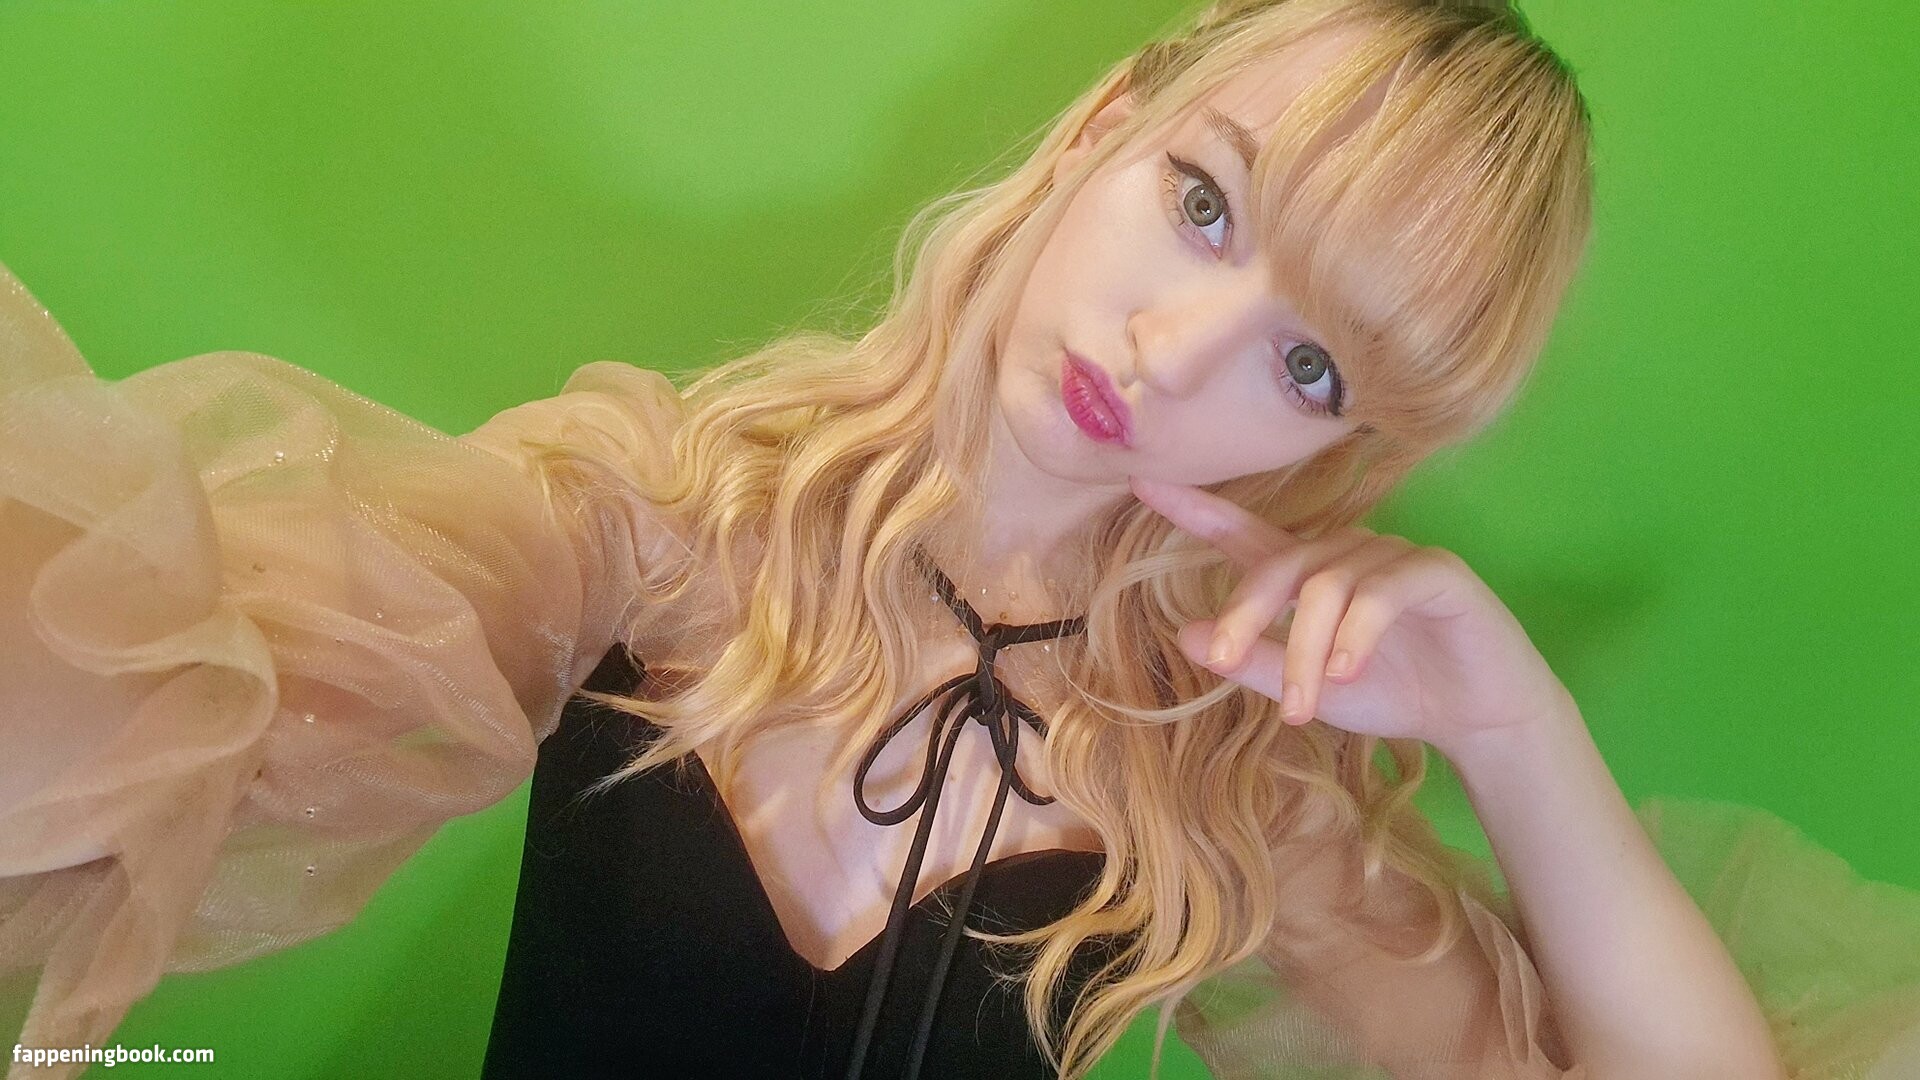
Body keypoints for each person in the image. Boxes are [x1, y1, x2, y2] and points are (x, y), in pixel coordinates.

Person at [2, 0, 1918, 1078]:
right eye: (1202, 203)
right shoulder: (658, 511)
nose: (1178, 354)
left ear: (1342, 445)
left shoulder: (1224, 775)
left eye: (1310, 364)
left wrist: (1516, 730)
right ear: (1098, 127)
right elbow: (155, 655)